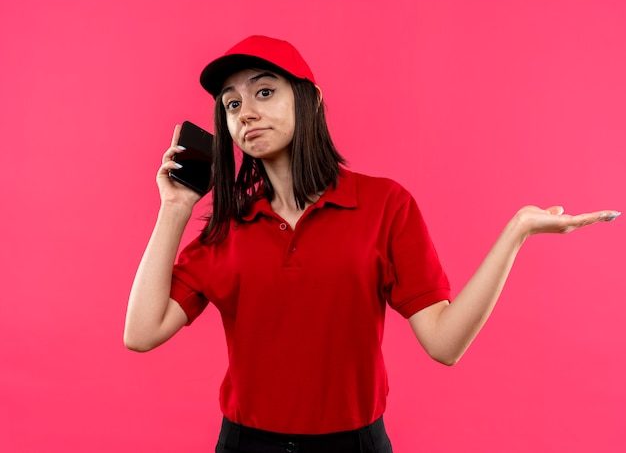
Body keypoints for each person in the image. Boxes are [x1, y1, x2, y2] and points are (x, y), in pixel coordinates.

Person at [124, 35, 620, 453]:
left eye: (265, 92)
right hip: (245, 443)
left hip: (354, 445)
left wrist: (516, 231)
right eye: (232, 104)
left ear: (309, 99)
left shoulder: (385, 205)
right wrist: (175, 208)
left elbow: (445, 344)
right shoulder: (228, 228)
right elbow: (141, 333)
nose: (246, 112)